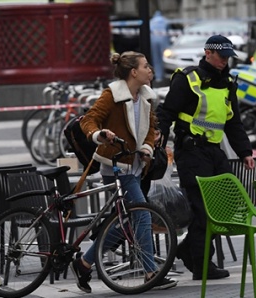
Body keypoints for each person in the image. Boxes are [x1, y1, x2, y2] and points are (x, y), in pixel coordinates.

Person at [70, 51, 178, 293]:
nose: (150, 70)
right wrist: (99, 135)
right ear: (133, 72)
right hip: (116, 165)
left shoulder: (145, 97)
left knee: (128, 223)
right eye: (146, 66)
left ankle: (85, 263)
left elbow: (150, 128)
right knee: (142, 214)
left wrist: (148, 148)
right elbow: (89, 120)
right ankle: (152, 272)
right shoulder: (113, 94)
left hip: (137, 166)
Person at [157, 35, 255, 280]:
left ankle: (187, 249)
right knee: (204, 210)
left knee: (224, 207)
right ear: (208, 52)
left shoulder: (228, 83)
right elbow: (166, 112)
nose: (224, 61)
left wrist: (245, 152)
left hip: (214, 152)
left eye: (227, 57)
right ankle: (202, 265)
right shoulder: (188, 79)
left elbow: (233, 122)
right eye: (221, 56)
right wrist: (158, 142)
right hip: (192, 152)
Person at [150, 10, 170, 84]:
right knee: (165, 57)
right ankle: (166, 73)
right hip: (163, 40)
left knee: (156, 58)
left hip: (153, 40)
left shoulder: (151, 21)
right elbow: (169, 30)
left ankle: (158, 76)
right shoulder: (165, 20)